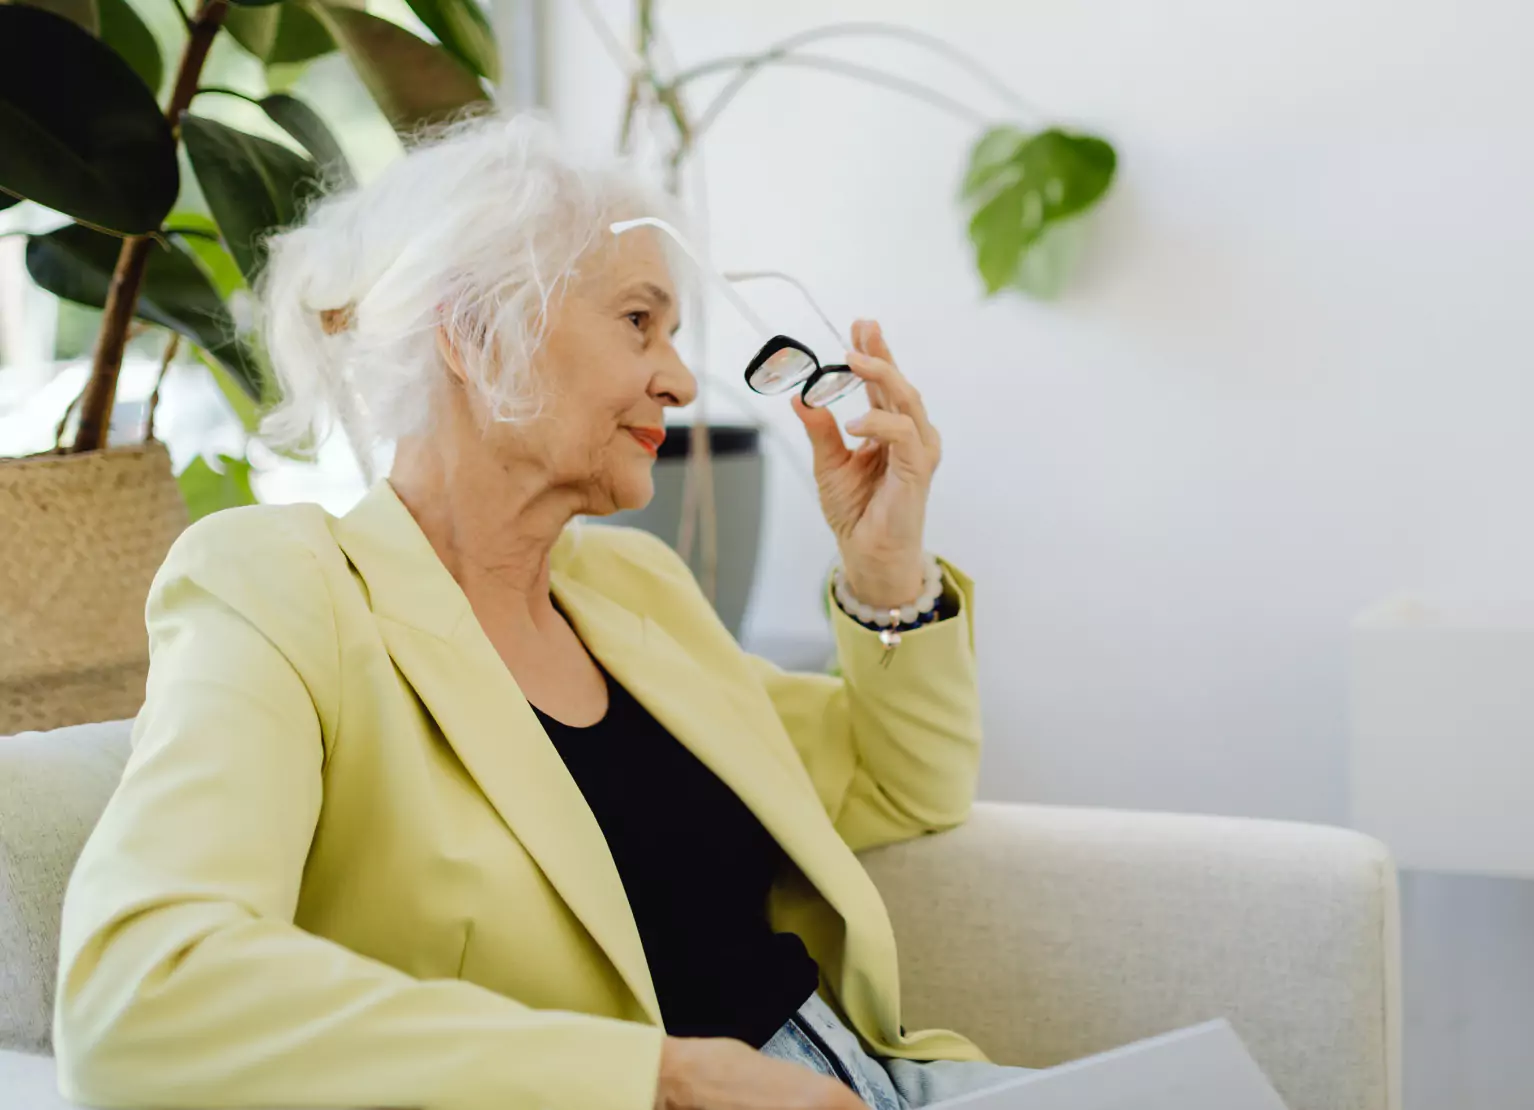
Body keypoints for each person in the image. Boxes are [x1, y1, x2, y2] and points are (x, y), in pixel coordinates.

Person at [53, 114, 1028, 1110]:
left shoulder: (633, 588)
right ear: (477, 334)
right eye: (638, 322)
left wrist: (885, 565)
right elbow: (143, 994)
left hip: (877, 1081)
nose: (681, 381)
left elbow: (902, 789)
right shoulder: (283, 590)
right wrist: (662, 1079)